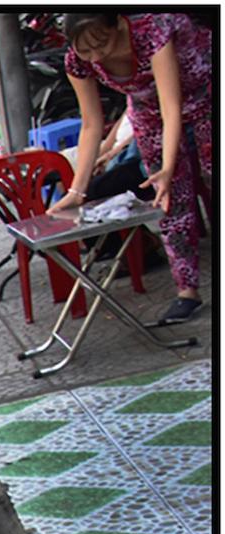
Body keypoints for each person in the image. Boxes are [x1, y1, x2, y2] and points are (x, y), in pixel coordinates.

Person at [51, 11, 211, 325]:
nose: (96, 56)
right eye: (86, 50)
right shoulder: (77, 61)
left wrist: (168, 165)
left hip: (205, 93)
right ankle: (187, 292)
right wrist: (77, 190)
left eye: (103, 44)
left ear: (119, 23)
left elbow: (172, 104)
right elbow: (91, 124)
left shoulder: (152, 31)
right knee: (170, 202)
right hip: (148, 113)